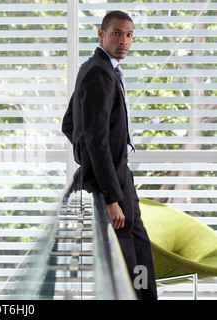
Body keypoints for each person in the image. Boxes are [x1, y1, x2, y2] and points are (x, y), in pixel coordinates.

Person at [62, 11, 157, 300]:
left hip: (118, 173)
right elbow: (96, 139)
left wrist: (89, 158)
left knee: (137, 244)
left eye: (129, 35)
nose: (124, 41)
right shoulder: (100, 72)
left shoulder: (99, 68)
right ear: (101, 34)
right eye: (117, 33)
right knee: (128, 252)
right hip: (111, 178)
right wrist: (111, 195)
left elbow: (69, 124)